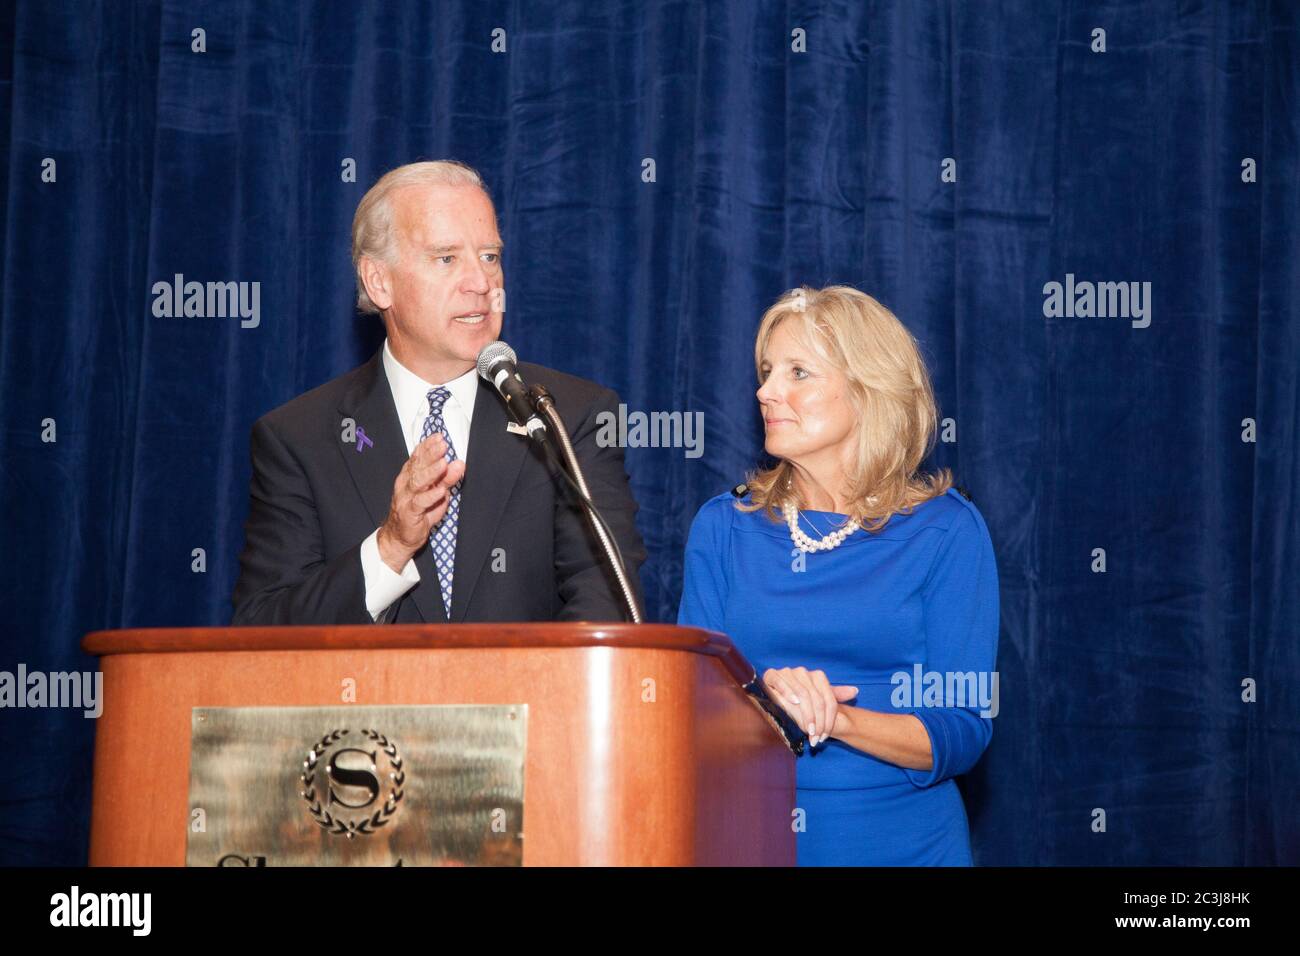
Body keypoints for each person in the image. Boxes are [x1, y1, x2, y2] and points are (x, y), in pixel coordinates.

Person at [232, 161, 645, 625]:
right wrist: (390, 548)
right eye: (447, 258)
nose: (483, 283)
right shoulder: (300, 439)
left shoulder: (565, 419)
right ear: (378, 281)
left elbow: (606, 605)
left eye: (490, 256)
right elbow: (263, 631)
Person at [677, 285, 999, 865]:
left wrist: (837, 718)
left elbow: (962, 730)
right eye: (768, 370)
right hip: (749, 840)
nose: (766, 391)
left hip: (906, 848)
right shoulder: (724, 527)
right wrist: (760, 700)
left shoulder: (945, 532)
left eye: (798, 372)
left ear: (869, 391)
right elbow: (684, 712)